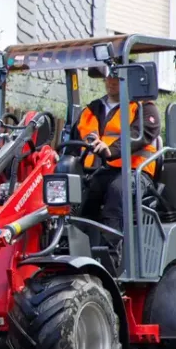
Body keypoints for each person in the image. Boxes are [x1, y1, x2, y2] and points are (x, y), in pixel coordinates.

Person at [71, 66, 160, 272]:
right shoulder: (91, 110)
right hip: (102, 171)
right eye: (108, 76)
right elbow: (79, 135)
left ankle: (111, 256)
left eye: (116, 76)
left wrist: (110, 150)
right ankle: (76, 244)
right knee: (83, 191)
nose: (111, 80)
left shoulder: (144, 108)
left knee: (118, 190)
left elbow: (141, 134)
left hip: (136, 173)